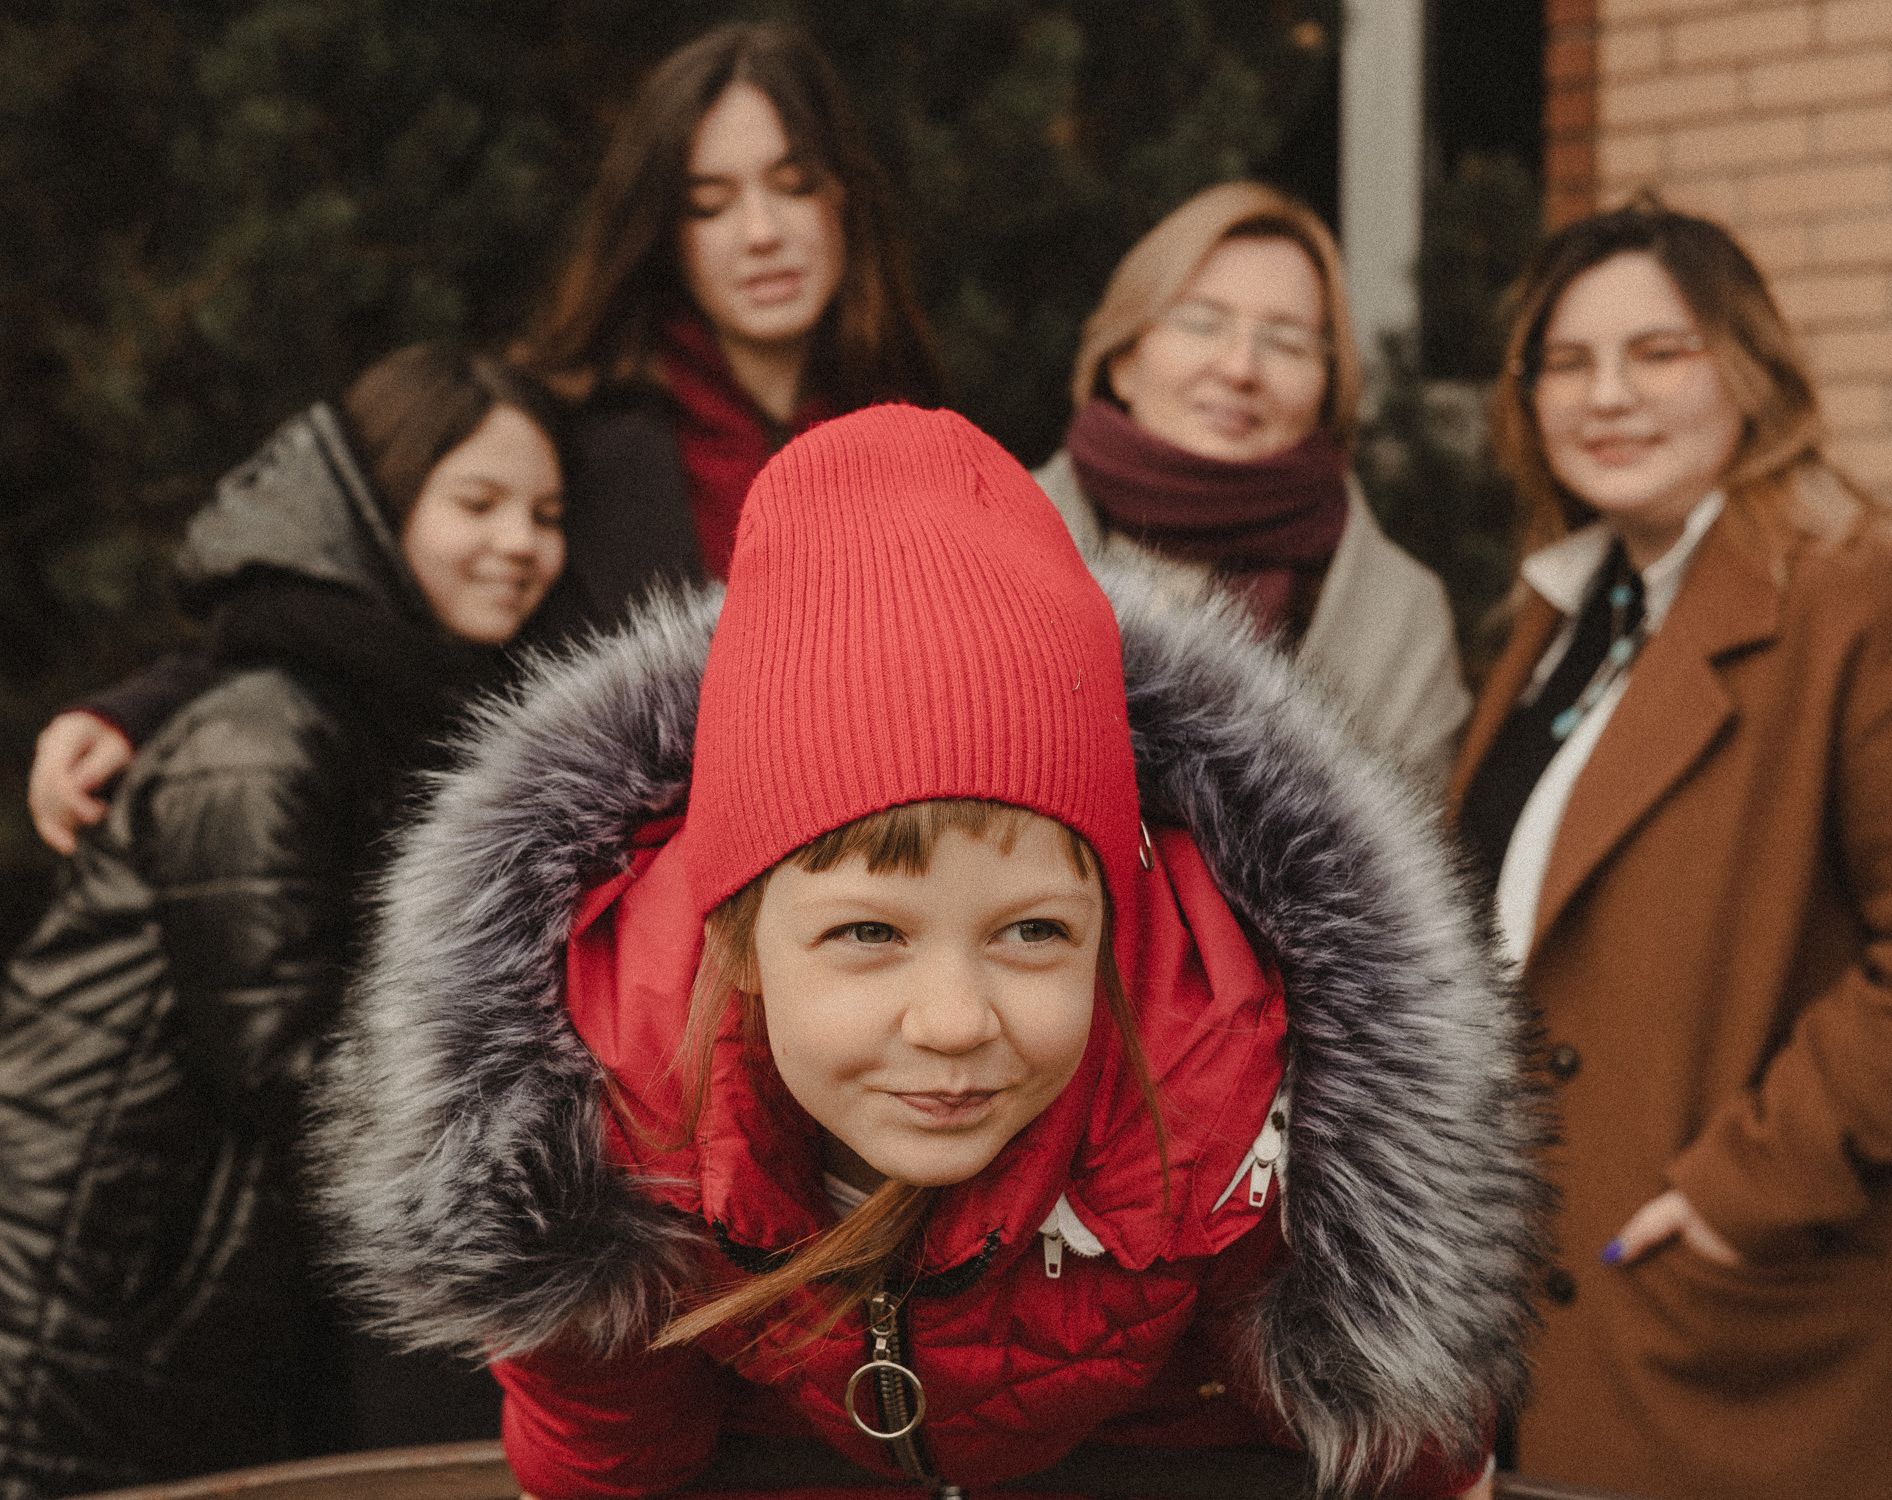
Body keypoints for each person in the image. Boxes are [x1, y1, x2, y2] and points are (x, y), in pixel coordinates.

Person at [315, 404, 1544, 1499]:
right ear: (733, 938)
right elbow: (605, 1459)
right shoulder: (610, 1086)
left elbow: (1397, 1454)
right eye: (867, 933)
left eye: (1031, 933)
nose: (953, 1020)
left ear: (1115, 919)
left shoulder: (1226, 1074)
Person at [0, 345, 568, 1497]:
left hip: (169, 1303)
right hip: (83, 1308)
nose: (519, 543)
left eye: (547, 515)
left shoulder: (390, 713)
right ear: (374, 506)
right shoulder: (267, 734)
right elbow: (280, 1057)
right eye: (477, 502)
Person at [21, 19, 945, 859]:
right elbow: (358, 605)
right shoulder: (565, 432)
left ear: (846, 202)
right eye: (709, 203)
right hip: (628, 944)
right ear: (662, 234)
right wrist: (147, 710)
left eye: (793, 186)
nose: (760, 233)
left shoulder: (925, 443)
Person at [1450, 197, 1892, 1500]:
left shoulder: (1848, 597)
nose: (1609, 396)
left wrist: (1743, 1192)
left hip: (1723, 1333)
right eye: (1568, 363)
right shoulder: (1553, 622)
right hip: (1533, 1334)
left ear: (1749, 368)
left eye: (1660, 351)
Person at [1036, 181, 1469, 790]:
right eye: (1202, 323)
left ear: (1326, 384)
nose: (1241, 369)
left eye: (1286, 341)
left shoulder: (1401, 614)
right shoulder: (984, 546)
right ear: (1124, 360)